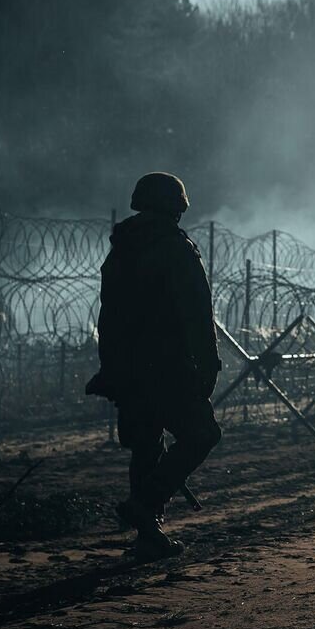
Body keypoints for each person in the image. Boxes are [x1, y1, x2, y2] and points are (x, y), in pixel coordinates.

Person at [87, 172, 222, 560]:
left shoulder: (122, 248)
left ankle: (148, 535)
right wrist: (209, 362)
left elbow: (108, 316)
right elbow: (197, 312)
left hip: (126, 367)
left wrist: (111, 368)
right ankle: (146, 504)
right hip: (166, 365)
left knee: (146, 444)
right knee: (202, 434)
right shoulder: (175, 247)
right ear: (176, 206)